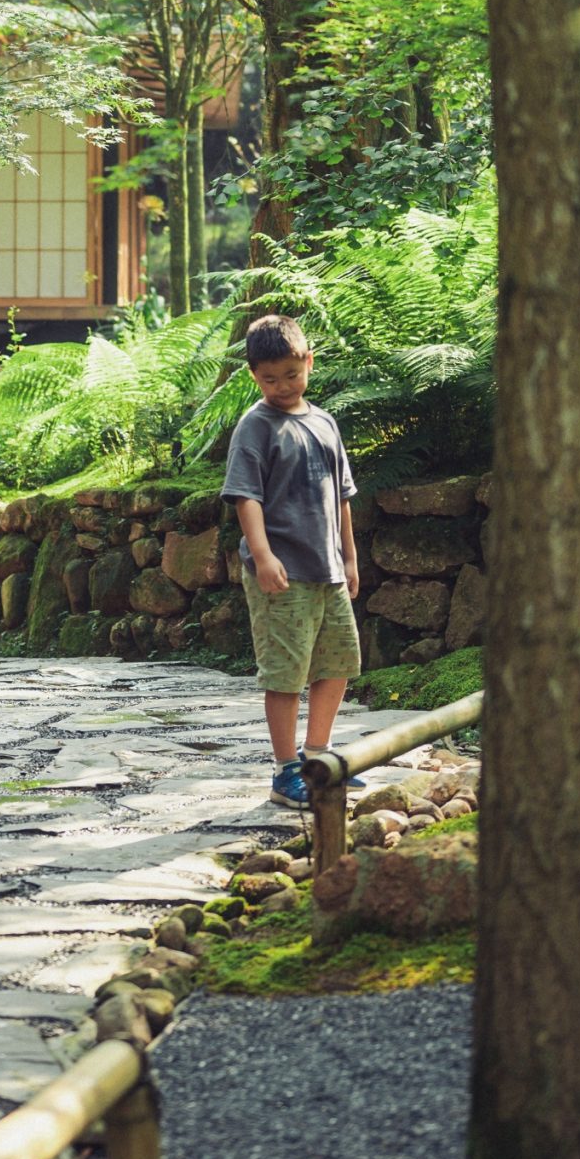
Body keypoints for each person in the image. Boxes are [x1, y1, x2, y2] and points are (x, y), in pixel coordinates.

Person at [223, 311, 361, 807]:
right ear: (253, 376)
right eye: (269, 378)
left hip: (328, 569)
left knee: (338, 662)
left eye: (292, 374)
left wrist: (350, 559)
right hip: (282, 571)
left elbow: (342, 496)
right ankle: (285, 770)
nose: (282, 385)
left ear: (309, 361)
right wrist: (262, 555)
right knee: (285, 671)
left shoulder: (324, 422)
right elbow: (245, 496)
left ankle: (318, 755)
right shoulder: (255, 427)